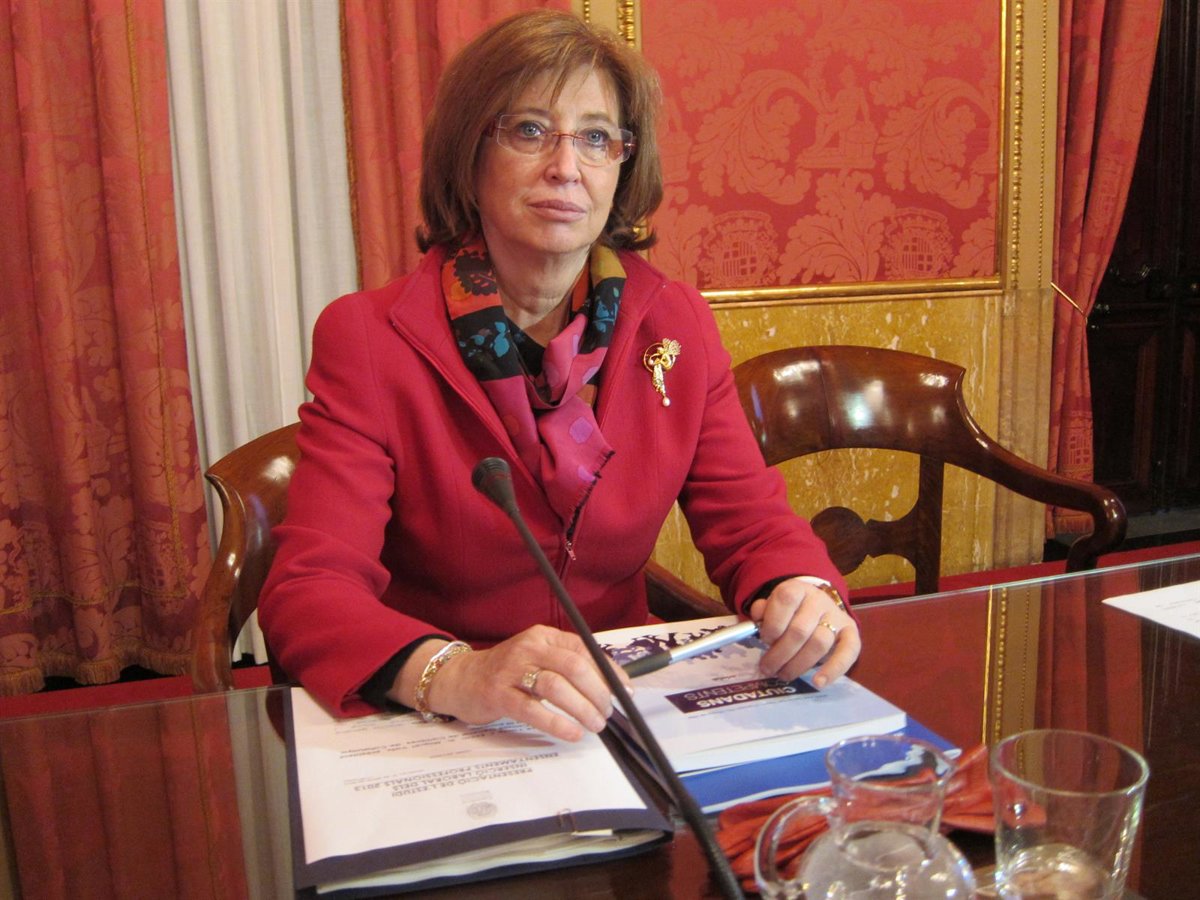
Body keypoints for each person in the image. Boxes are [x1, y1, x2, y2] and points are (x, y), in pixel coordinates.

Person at [259, 9, 860, 742]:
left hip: (617, 709)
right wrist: (456, 674)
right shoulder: (369, 338)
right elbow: (308, 591)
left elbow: (752, 523)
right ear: (470, 154)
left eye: (596, 137)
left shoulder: (675, 324)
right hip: (449, 725)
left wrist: (802, 590)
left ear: (623, 166)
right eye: (529, 130)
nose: (566, 167)